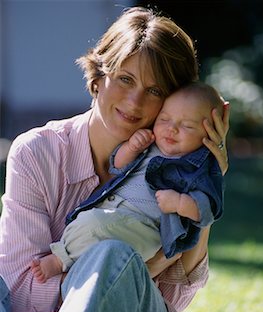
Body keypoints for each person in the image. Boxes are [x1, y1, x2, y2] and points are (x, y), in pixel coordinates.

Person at [0, 6, 229, 312]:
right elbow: (21, 289)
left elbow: (170, 300)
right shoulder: (37, 154)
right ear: (99, 73)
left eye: (156, 90)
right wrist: (120, 263)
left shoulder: (174, 165)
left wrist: (206, 199)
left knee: (112, 253)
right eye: (125, 79)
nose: (136, 103)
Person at [31, 82, 225, 283]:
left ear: (209, 134)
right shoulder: (151, 145)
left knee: (95, 227)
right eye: (165, 119)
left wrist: (179, 203)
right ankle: (69, 290)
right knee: (87, 227)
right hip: (113, 212)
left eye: (187, 126)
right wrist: (132, 148)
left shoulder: (198, 168)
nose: (172, 129)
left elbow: (207, 209)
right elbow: (117, 166)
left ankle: (59, 260)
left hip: (145, 229)